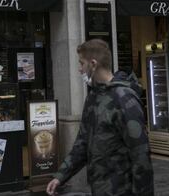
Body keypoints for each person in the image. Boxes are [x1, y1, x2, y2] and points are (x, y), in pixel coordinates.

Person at [46, 39, 154, 196]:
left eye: (81, 63)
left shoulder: (124, 99)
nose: (79, 69)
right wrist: (61, 176)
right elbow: (82, 144)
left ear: (93, 64)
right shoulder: (93, 97)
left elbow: (140, 155)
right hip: (99, 189)